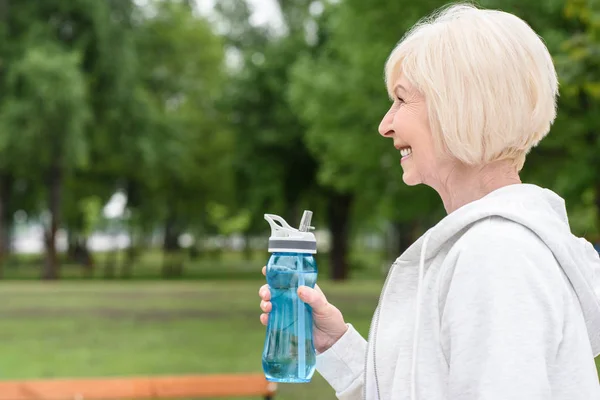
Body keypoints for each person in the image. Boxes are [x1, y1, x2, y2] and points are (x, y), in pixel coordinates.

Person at [258, 3, 600, 399]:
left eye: (402, 100)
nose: (385, 125)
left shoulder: (496, 255)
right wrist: (335, 343)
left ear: (458, 107)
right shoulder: (484, 247)